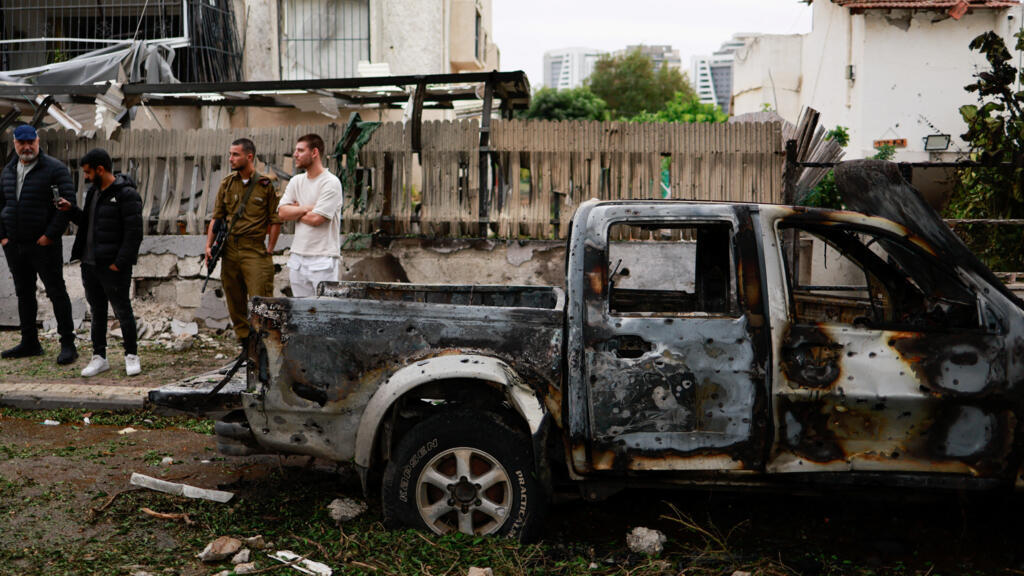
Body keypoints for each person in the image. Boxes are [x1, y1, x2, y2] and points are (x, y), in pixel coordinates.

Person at [57, 148, 144, 377]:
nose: (85, 177)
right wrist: (71, 210)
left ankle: (131, 356)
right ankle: (99, 357)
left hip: (113, 266)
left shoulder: (127, 194)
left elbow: (134, 233)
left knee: (122, 310)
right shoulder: (93, 193)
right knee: (97, 312)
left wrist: (120, 263)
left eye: (87, 172)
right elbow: (88, 223)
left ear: (100, 169)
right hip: (90, 264)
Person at [0, 125, 77, 364]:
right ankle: (29, 342)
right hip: (15, 244)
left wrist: (50, 236)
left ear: (37, 141)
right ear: (14, 143)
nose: (26, 147)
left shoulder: (54, 169)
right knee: (24, 293)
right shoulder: (8, 170)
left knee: (56, 291)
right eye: (21, 143)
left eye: (30, 142)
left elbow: (67, 206)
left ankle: (68, 344)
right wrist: (3, 236)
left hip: (44, 244)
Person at [207, 138, 281, 347]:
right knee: (234, 300)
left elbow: (275, 220)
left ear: (249, 157)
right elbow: (217, 217)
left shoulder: (265, 184)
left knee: (262, 301)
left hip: (254, 249)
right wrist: (208, 246)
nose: (230, 159)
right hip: (229, 249)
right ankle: (246, 345)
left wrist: (269, 249)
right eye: (230, 154)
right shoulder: (227, 183)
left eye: (235, 155)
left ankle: (265, 346)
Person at [277, 134, 343, 297]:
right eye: (295, 150)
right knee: (302, 313)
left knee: (324, 312)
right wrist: (307, 208)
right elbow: (281, 213)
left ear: (314, 152)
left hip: (323, 258)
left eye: (300, 150)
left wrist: (296, 210)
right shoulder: (296, 181)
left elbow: (316, 219)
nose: (295, 154)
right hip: (297, 258)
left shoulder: (330, 182)